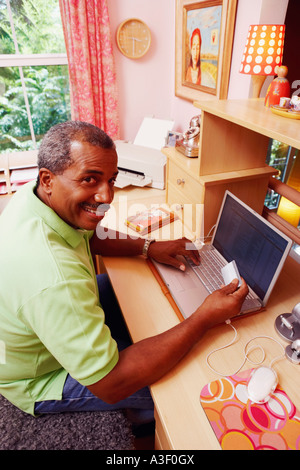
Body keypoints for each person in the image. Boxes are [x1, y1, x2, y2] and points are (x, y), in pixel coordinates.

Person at [0, 121, 248, 437]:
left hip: (29, 328)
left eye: (111, 180)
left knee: (139, 306)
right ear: (48, 179)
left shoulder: (34, 196)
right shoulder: (54, 277)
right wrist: (203, 319)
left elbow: (86, 235)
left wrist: (148, 246)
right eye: (90, 179)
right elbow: (111, 383)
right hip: (40, 376)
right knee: (174, 393)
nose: (106, 196)